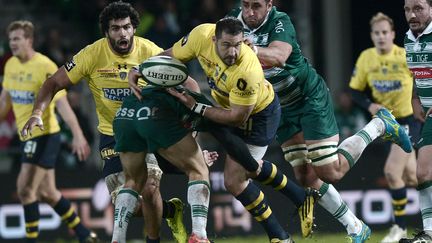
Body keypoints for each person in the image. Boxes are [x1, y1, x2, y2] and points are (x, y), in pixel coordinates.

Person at [226, 0, 413, 242]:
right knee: (305, 177)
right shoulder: (232, 21)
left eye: (257, 6)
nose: (250, 12)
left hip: (307, 97)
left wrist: (250, 49)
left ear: (270, 4)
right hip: (277, 105)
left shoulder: (280, 21)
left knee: (330, 172)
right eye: (246, 5)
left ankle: (379, 125)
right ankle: (356, 227)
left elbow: (280, 56)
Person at [19, 2, 192, 242]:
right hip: (113, 135)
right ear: (106, 32)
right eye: (115, 29)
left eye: (127, 27)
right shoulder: (92, 54)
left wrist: (190, 118)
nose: (122, 33)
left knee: (150, 188)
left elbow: (184, 82)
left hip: (147, 131)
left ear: (134, 29)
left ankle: (154, 240)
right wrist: (37, 112)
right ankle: (171, 211)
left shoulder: (150, 51)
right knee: (131, 206)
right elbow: (52, 84)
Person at [156, 16, 300, 243]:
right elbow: (170, 56)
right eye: (226, 45)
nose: (233, 52)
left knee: (235, 179)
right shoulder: (200, 36)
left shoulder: (248, 69)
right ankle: (291, 215)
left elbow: (235, 118)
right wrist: (142, 68)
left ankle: (284, 229)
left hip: (257, 115)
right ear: (214, 40)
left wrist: (197, 107)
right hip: (225, 107)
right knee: (238, 177)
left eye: (238, 45)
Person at [0, 20, 97, 243]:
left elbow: (62, 105)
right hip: (26, 136)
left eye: (17, 39)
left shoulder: (45, 66)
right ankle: (85, 234)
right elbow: (5, 101)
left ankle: (30, 239)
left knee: (25, 189)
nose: (12, 43)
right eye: (10, 39)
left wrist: (78, 133)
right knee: (48, 193)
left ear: (29, 40)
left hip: (45, 134)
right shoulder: (11, 66)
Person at [349, 12, 420, 243]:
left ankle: (399, 228)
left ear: (392, 35)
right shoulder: (366, 58)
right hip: (384, 124)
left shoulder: (405, 56)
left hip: (408, 121)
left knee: (391, 172)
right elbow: (354, 91)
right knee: (412, 177)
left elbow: (423, 79)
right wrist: (369, 104)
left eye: (384, 33)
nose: (381, 37)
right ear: (371, 35)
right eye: (376, 33)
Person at [112, 85, 212, 243]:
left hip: (124, 115)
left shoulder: (143, 72)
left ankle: (117, 239)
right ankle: (199, 236)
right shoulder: (187, 96)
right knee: (199, 170)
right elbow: (226, 123)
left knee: (133, 181)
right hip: (155, 113)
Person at [400, 0, 432, 242]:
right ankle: (429, 233)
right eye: (408, 9)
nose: (412, 14)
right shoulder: (409, 39)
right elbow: (416, 71)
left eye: (418, 8)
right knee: (423, 174)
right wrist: (414, 97)